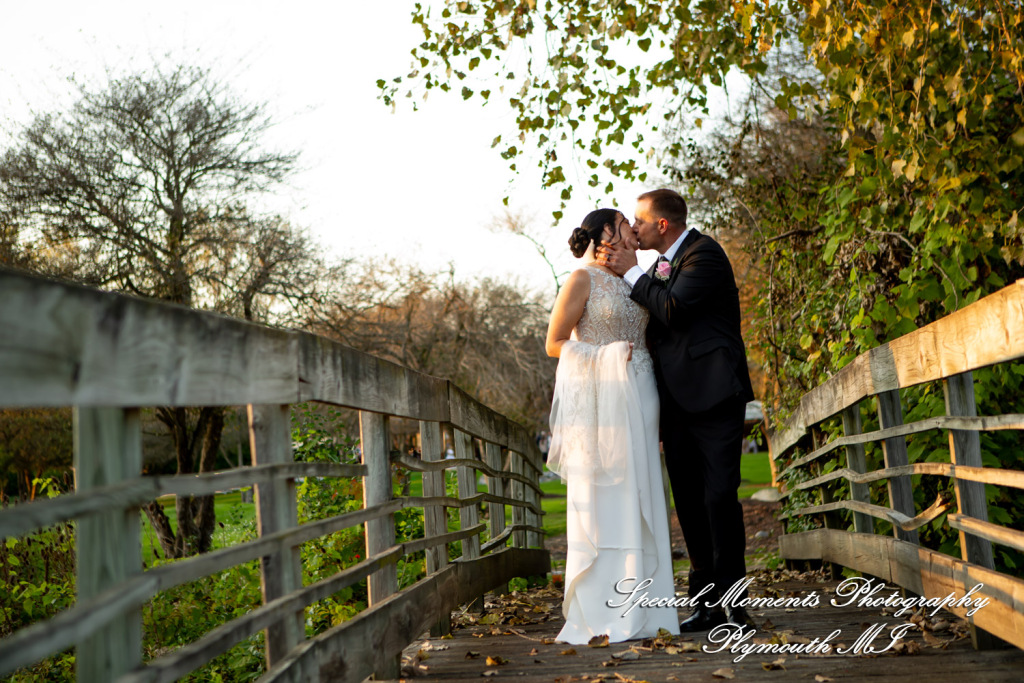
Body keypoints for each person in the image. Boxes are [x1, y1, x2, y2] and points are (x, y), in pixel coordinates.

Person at [599, 188, 756, 631]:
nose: (634, 228)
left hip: (714, 396)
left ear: (661, 225)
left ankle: (735, 605)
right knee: (688, 503)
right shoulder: (665, 264)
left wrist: (631, 273)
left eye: (639, 221)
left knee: (720, 497)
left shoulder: (705, 254)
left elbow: (672, 309)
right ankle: (705, 605)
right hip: (674, 404)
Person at [545, 208, 679, 644]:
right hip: (602, 398)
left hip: (643, 392)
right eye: (625, 222)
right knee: (608, 494)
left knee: (642, 489)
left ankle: (647, 608)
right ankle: (604, 607)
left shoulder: (639, 276)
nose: (634, 229)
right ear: (607, 231)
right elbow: (555, 343)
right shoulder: (582, 280)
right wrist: (603, 356)